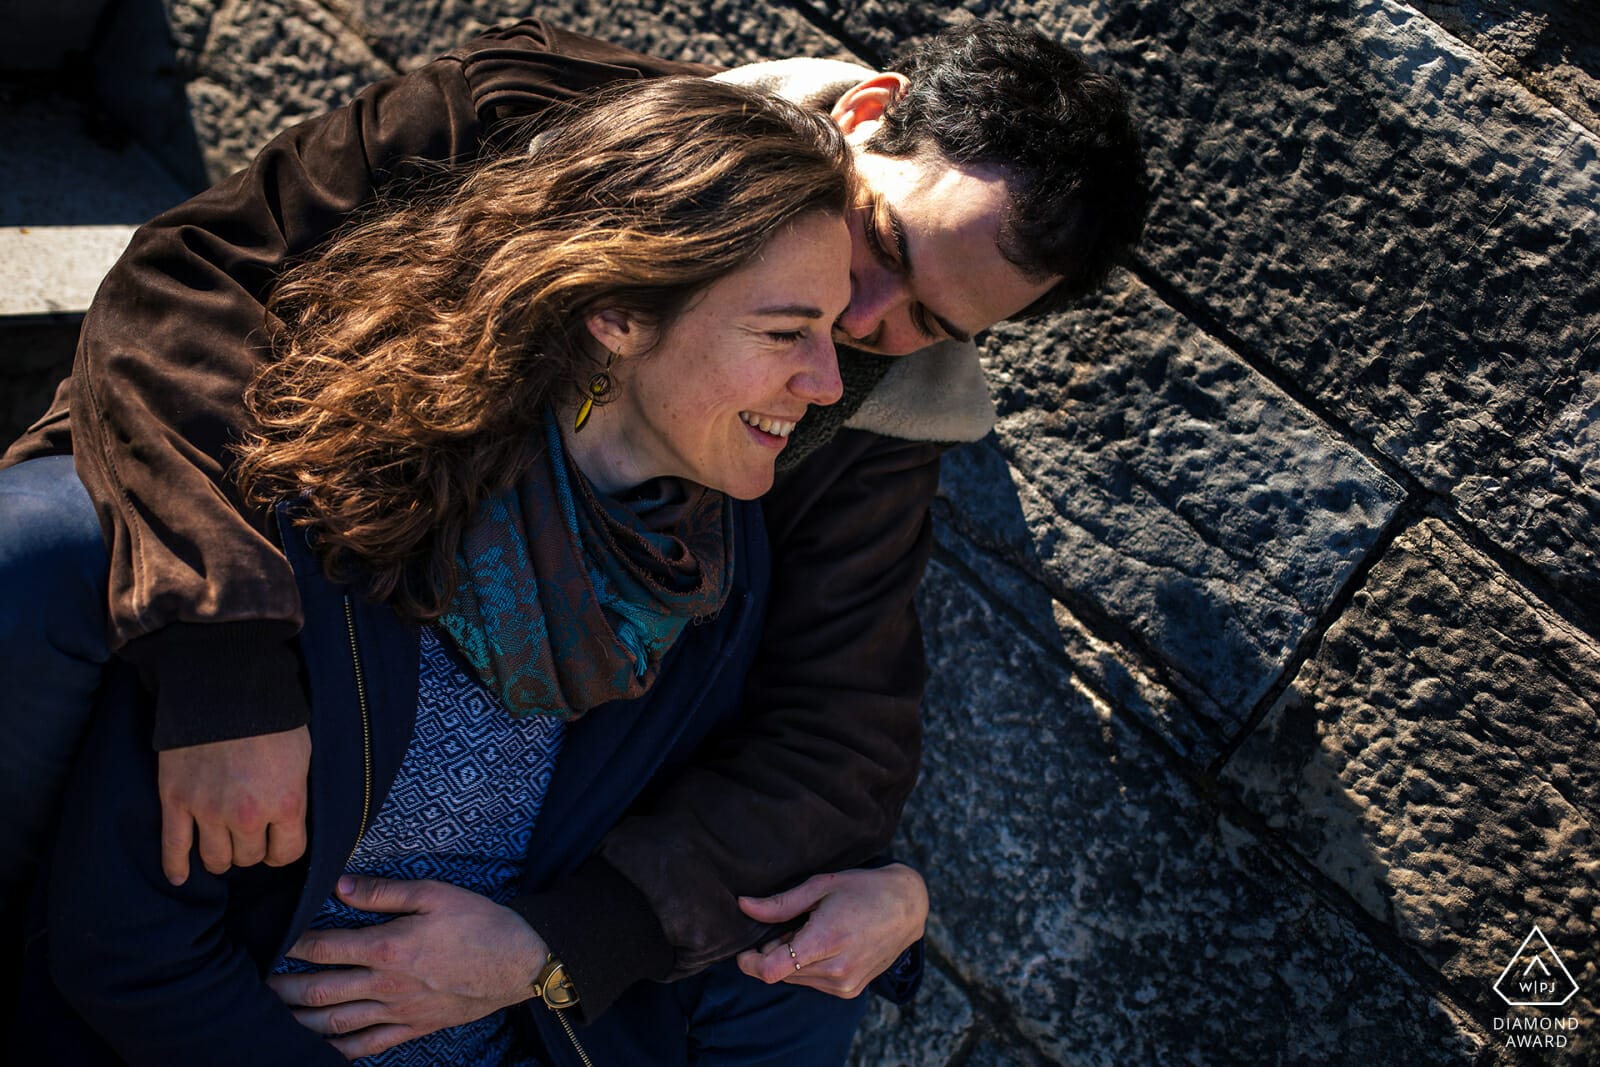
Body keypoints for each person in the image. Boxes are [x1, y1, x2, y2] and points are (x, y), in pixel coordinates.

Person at [0, 16, 1146, 1055]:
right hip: (284, 519)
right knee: (48, 551)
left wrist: (567, 940)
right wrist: (224, 653)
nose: (853, 332)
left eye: (924, 324)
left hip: (510, 837)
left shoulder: (778, 516)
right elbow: (191, 285)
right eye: (884, 248)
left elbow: (835, 731)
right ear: (859, 114)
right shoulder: (526, 107)